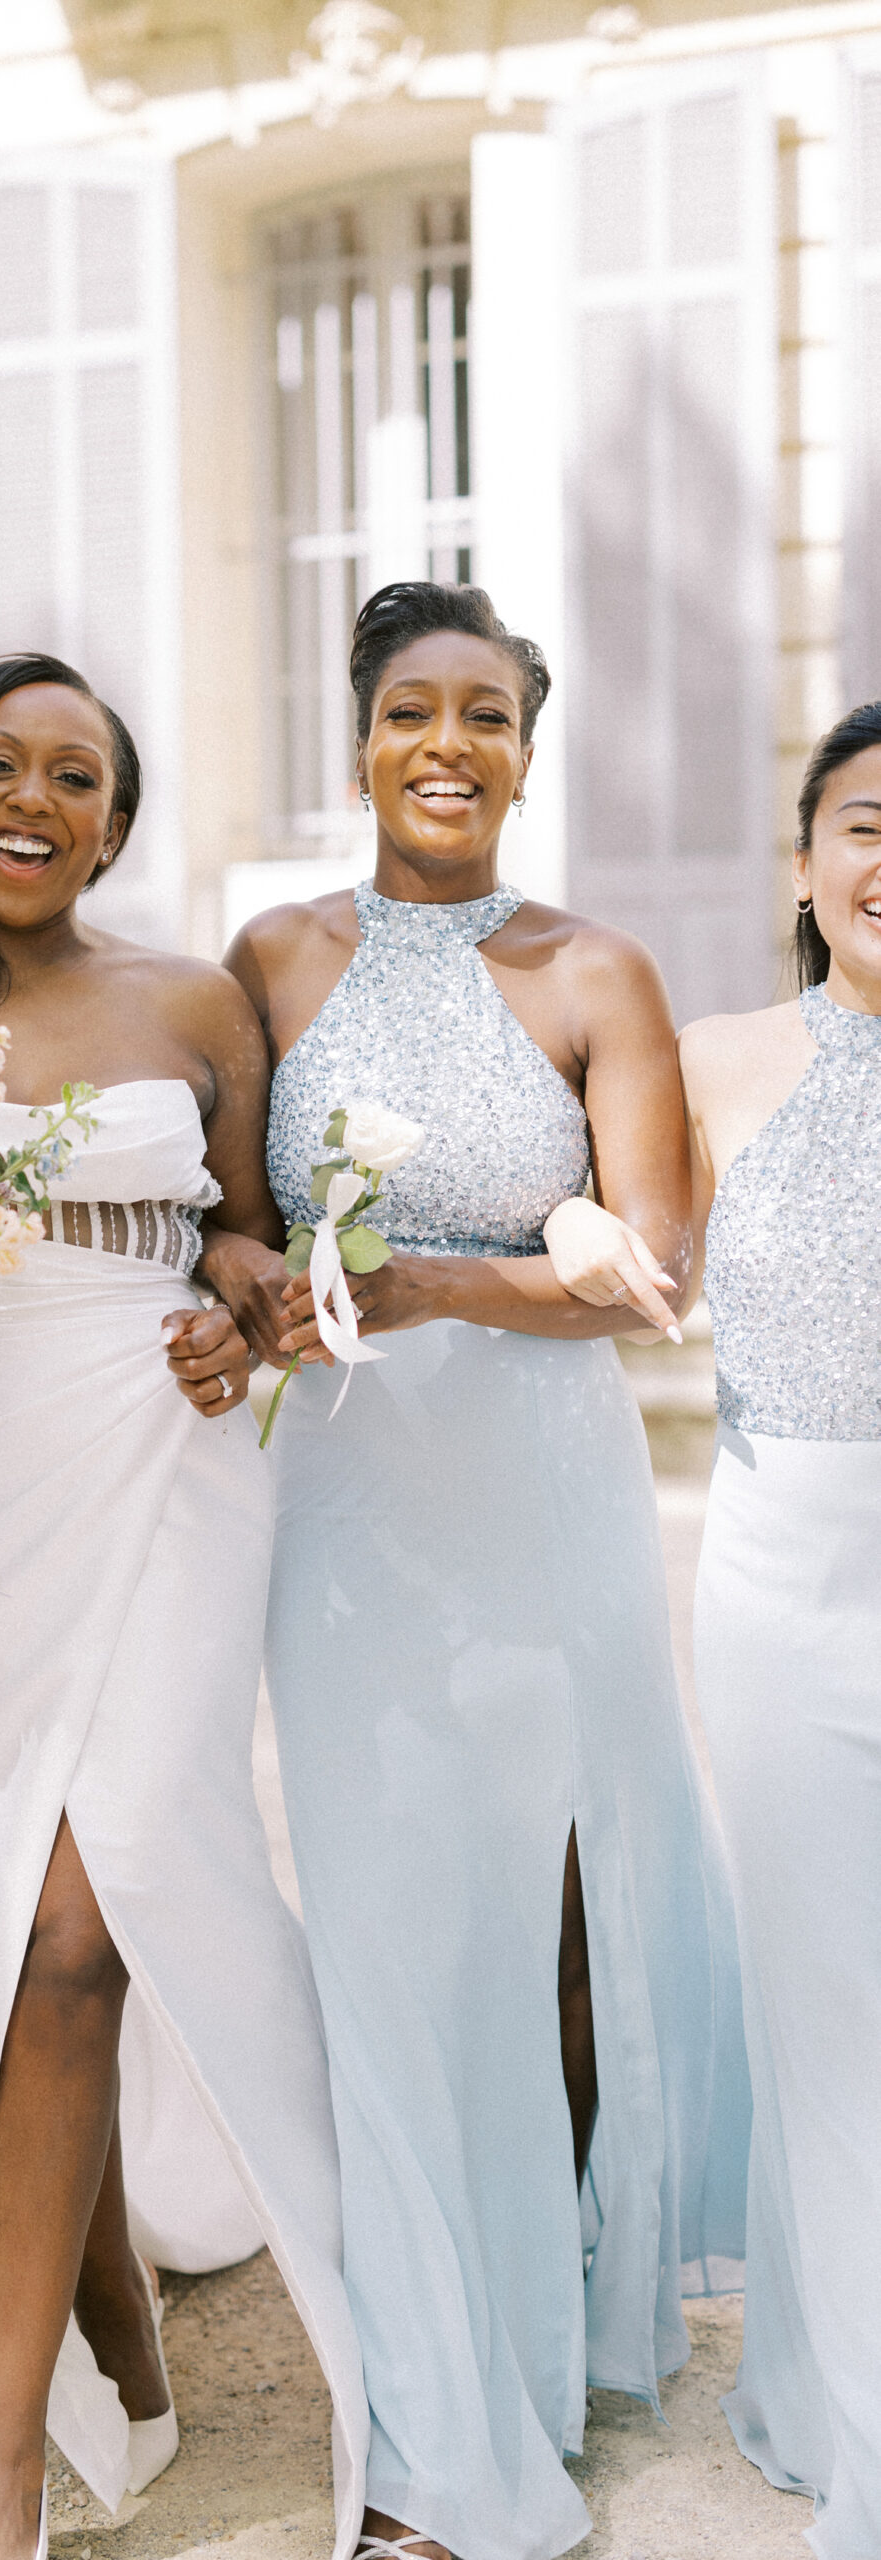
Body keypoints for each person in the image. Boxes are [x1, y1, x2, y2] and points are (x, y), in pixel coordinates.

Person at [0, 653, 369, 2560]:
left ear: (117, 819)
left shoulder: (190, 998)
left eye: (80, 776)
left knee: (81, 1926)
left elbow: (251, 1225)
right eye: (0, 764)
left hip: (168, 1457)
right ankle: (108, 2313)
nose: (35, 798)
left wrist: (237, 1287)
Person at [219, 583, 749, 2560]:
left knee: (550, 1921)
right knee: (381, 1924)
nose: (446, 743)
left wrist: (436, 1277)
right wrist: (255, 1287)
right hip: (346, 1511)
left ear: (529, 747)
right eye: (408, 711)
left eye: (486, 715)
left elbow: (649, 1276)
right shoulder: (270, 957)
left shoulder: (593, 969)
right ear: (353, 735)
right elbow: (227, 1221)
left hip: (540, 1505)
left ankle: (553, 2320)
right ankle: (436, 2412)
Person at [659, 707, 879, 2556]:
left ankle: (825, 2380)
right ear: (806, 864)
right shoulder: (720, 1058)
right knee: (828, 2015)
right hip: (792, 1581)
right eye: (870, 824)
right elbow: (620, 1247)